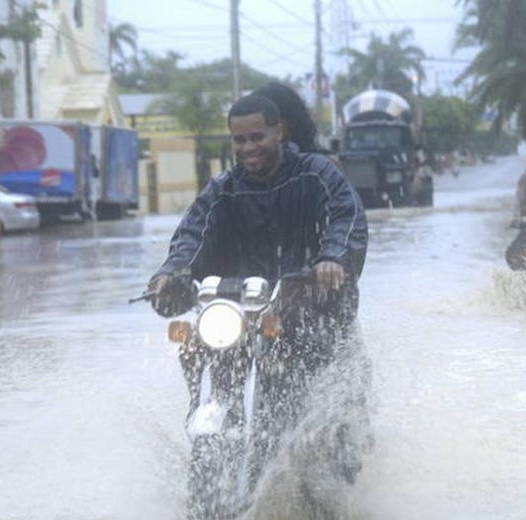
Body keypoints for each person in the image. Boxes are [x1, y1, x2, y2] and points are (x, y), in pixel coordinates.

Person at [146, 92, 370, 483]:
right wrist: (172, 272)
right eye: (240, 139)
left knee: (329, 388)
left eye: (257, 137)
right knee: (195, 344)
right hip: (238, 312)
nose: (248, 147)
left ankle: (331, 464)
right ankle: (210, 423)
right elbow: (193, 234)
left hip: (306, 306)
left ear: (279, 132)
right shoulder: (223, 189)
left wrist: (332, 258)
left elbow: (345, 217)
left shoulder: (316, 174)